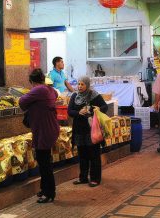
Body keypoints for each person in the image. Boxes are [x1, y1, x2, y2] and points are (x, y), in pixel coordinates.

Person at [19, 69, 59, 203]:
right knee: (43, 160)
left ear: (31, 81)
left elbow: (22, 102)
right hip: (48, 128)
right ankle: (44, 188)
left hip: (45, 130)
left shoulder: (39, 90)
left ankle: (49, 193)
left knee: (45, 163)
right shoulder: (49, 89)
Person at [68, 76, 108, 187]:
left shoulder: (94, 95)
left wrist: (97, 109)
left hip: (92, 130)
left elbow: (104, 106)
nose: (80, 86)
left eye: (82, 84)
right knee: (82, 155)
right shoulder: (75, 96)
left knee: (94, 154)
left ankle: (95, 178)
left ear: (87, 85)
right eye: (78, 84)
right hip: (79, 129)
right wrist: (78, 112)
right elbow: (70, 111)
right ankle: (83, 177)